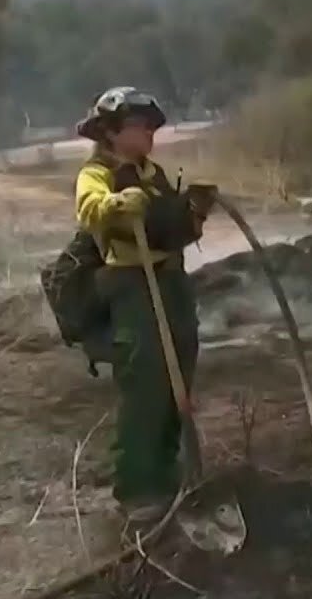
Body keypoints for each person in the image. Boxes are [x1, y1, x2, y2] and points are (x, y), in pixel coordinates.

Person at [73, 87, 207, 524]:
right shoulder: (97, 173)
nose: (149, 131)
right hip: (133, 285)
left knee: (178, 374)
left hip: (171, 281)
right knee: (146, 380)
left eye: (151, 125)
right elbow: (89, 209)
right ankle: (138, 490)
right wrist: (115, 204)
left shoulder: (154, 173)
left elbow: (167, 225)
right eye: (139, 124)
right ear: (111, 131)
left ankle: (168, 473)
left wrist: (193, 214)